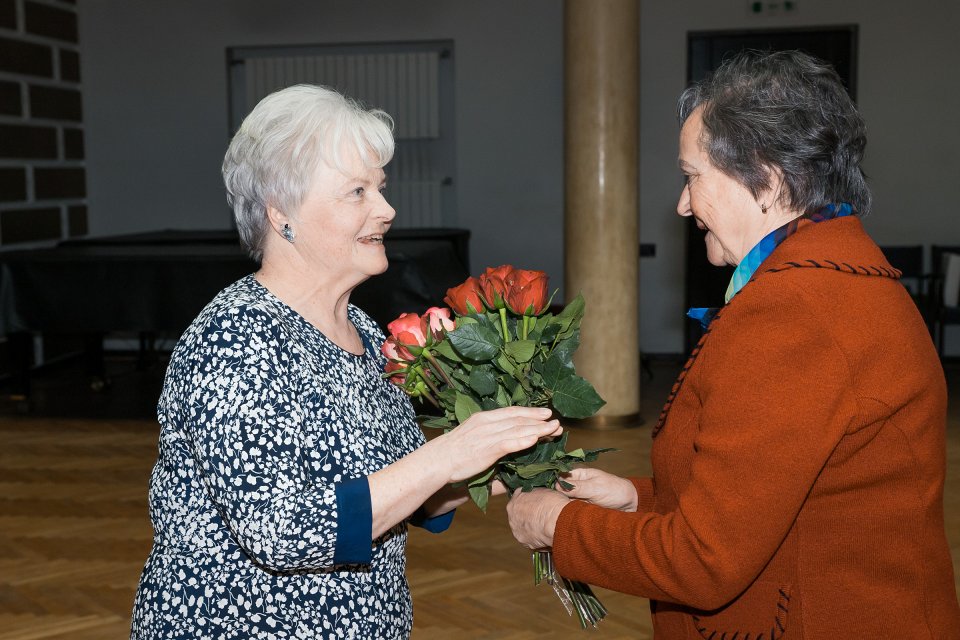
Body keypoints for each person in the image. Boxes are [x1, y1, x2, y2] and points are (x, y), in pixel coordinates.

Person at [507, 50, 960, 638]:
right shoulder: (839, 278)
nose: (681, 204)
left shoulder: (793, 313)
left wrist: (557, 524)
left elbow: (704, 563)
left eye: (692, 176)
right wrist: (632, 499)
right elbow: (784, 503)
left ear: (766, 178)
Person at [130, 84, 561, 640]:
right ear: (280, 213)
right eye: (356, 191)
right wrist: (451, 453)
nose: (387, 209)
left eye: (379, 188)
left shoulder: (358, 328)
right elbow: (283, 533)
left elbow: (406, 491)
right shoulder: (234, 340)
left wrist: (517, 460)